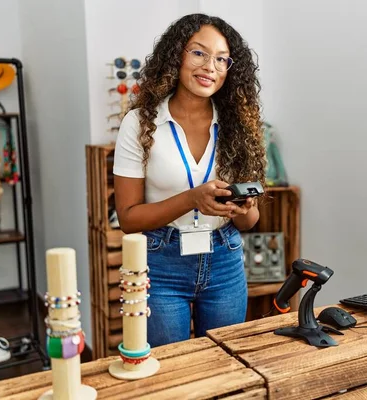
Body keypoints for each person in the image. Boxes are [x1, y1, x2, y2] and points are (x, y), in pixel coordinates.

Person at [113, 14, 266, 347]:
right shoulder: (139, 123)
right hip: (162, 264)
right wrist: (191, 199)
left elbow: (250, 221)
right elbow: (127, 218)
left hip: (225, 261)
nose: (209, 66)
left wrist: (244, 210)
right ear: (177, 55)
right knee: (172, 372)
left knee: (225, 365)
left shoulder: (238, 125)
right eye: (199, 53)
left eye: (221, 59)